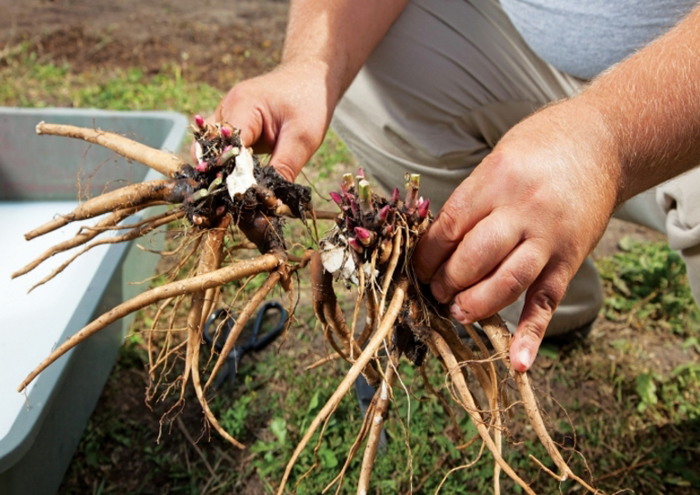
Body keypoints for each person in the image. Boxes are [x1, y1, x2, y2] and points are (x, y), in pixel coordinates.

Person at [202, 0, 700, 372]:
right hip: (532, 62)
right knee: (360, 63)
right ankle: (525, 297)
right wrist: (313, 62)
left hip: (683, 92)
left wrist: (602, 143)